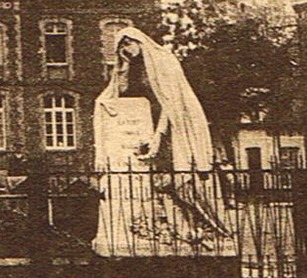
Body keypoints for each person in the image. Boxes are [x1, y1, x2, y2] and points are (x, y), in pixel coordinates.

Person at [92, 26, 229, 255]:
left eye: (127, 44)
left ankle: (217, 229)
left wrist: (158, 137)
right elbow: (112, 95)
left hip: (177, 125)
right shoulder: (133, 67)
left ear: (138, 40)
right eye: (121, 48)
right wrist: (123, 67)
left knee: (185, 183)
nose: (126, 50)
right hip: (150, 126)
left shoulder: (164, 60)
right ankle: (183, 232)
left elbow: (172, 103)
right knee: (162, 184)